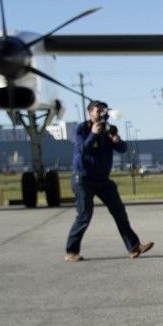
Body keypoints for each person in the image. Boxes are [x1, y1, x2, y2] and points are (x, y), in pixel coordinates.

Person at [64, 100, 153, 262]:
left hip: (103, 180)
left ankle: (134, 247)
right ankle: (71, 251)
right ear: (89, 112)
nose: (101, 114)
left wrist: (116, 140)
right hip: (83, 179)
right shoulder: (82, 129)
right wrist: (93, 134)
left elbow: (123, 149)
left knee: (119, 212)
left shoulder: (108, 130)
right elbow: (80, 151)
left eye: (104, 111)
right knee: (84, 215)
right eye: (98, 111)